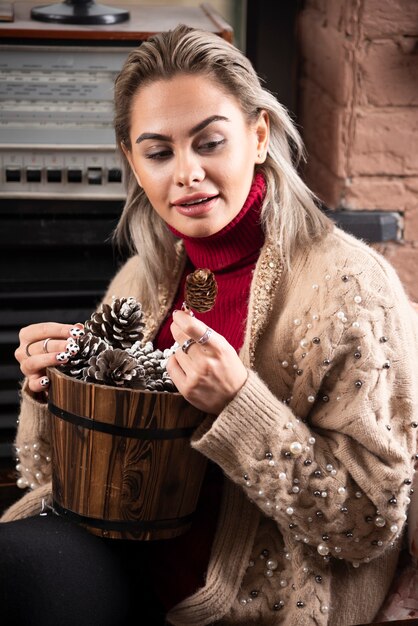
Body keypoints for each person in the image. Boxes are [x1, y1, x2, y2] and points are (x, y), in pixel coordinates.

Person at [1, 24, 418, 626]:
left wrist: (240, 404)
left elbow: (369, 524)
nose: (187, 174)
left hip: (251, 599)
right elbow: (48, 479)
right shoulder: (144, 279)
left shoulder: (350, 288)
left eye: (209, 142)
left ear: (257, 135)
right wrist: (54, 394)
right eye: (160, 152)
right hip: (123, 558)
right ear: (132, 161)